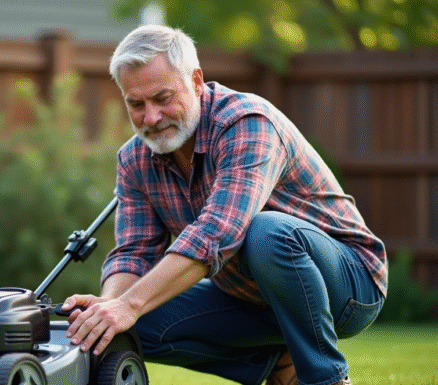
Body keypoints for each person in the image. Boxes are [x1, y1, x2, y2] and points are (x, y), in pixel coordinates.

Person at [61, 25, 387, 385]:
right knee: (126, 327)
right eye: (136, 104)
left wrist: (129, 304)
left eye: (162, 98)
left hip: (347, 286)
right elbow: (134, 253)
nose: (150, 118)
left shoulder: (246, 123)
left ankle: (324, 379)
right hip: (249, 297)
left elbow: (217, 232)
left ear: (196, 81)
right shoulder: (134, 159)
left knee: (268, 231)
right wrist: (110, 306)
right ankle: (277, 363)